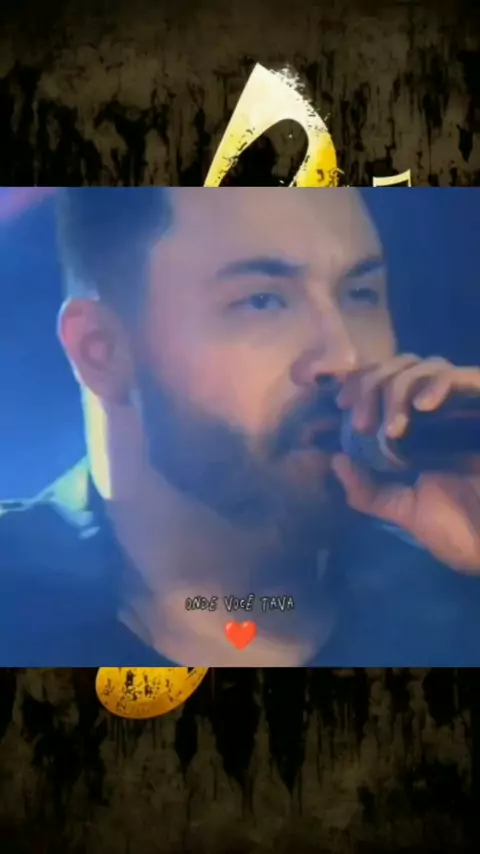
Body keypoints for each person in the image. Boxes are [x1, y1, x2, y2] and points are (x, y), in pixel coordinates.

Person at [1, 187, 480, 667]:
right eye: (262, 301)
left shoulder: (451, 584)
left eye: (360, 294)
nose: (345, 357)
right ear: (100, 350)